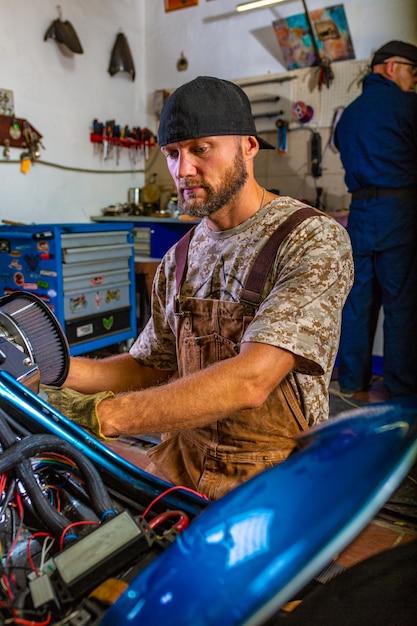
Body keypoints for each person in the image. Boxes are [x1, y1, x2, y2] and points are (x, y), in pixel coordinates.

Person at [45, 76, 353, 500]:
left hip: (277, 476)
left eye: (200, 149)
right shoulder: (180, 258)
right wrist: (49, 372)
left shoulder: (310, 239)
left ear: (248, 146)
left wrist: (103, 415)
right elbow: (148, 365)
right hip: (182, 463)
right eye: (172, 153)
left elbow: (252, 380)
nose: (182, 170)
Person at [334, 40, 417, 398]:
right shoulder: (408, 106)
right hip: (401, 216)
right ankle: (401, 389)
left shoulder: (348, 114)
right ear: (391, 67)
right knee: (402, 306)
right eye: (413, 72)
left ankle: (352, 383)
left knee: (358, 305)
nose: (413, 81)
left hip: (360, 219)